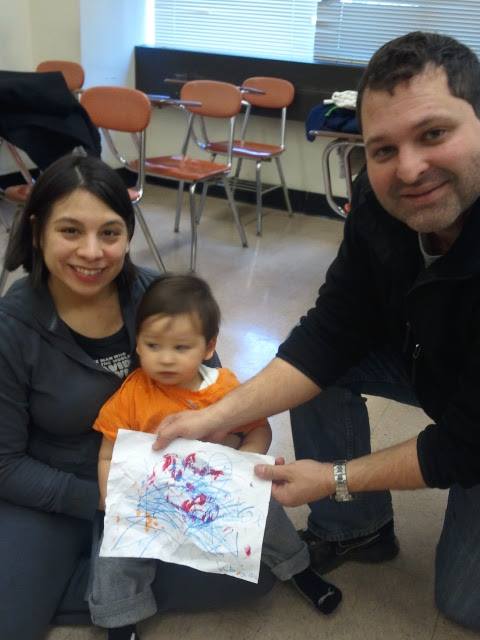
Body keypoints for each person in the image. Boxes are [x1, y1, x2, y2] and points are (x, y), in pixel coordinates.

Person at [152, 31, 480, 631]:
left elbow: (466, 442)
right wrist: (214, 416)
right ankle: (360, 529)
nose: (409, 169)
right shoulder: (379, 205)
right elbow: (331, 331)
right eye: (383, 149)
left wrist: (333, 477)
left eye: (434, 133)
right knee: (325, 370)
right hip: (438, 364)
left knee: (463, 604)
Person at [0, 154, 275, 640]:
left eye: (109, 233)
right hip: (56, 486)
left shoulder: (155, 293)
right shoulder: (11, 326)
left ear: (128, 234)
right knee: (12, 620)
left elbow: (209, 394)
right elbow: (5, 465)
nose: (91, 252)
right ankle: (81, 571)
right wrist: (104, 501)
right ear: (39, 229)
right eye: (70, 231)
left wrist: (235, 458)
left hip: (160, 478)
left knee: (256, 573)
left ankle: (90, 576)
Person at [89, 273, 342, 640]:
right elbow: (108, 454)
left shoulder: (223, 388)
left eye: (181, 347)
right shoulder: (132, 393)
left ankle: (298, 569)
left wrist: (244, 466)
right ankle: (120, 619)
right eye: (153, 345)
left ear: (208, 347)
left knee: (267, 515)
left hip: (213, 492)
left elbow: (259, 428)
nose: (165, 358)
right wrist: (111, 499)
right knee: (114, 550)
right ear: (137, 345)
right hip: (151, 498)